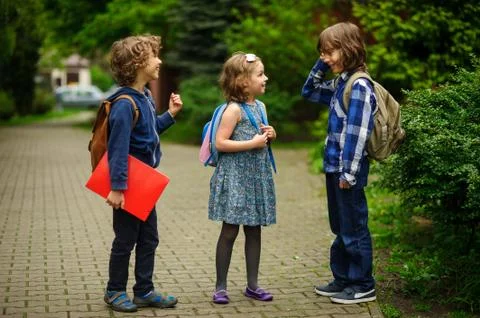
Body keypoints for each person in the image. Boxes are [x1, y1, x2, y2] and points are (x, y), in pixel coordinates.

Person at [103, 34, 183, 312]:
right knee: (125, 239)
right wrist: (117, 187)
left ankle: (144, 290)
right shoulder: (125, 104)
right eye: (153, 56)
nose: (159, 60)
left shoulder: (145, 96)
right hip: (129, 185)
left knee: (149, 238)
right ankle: (114, 290)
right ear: (138, 64)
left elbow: (148, 136)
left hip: (145, 183)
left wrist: (169, 115)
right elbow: (117, 149)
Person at [301, 22, 377, 304]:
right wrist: (322, 62)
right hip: (335, 167)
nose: (324, 58)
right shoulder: (341, 83)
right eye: (322, 52)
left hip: (348, 171)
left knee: (354, 227)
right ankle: (344, 278)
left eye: (329, 52)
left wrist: (350, 173)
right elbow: (309, 90)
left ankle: (363, 284)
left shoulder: (358, 86)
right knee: (341, 226)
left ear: (348, 49)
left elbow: (357, 136)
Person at [209, 52, 277, 304]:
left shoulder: (260, 107)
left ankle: (253, 285)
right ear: (242, 81)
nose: (265, 78)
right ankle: (220, 287)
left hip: (256, 178)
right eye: (260, 74)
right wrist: (253, 142)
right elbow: (220, 142)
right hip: (236, 179)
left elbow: (262, 138)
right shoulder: (232, 110)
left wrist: (271, 134)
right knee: (229, 231)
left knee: (254, 231)